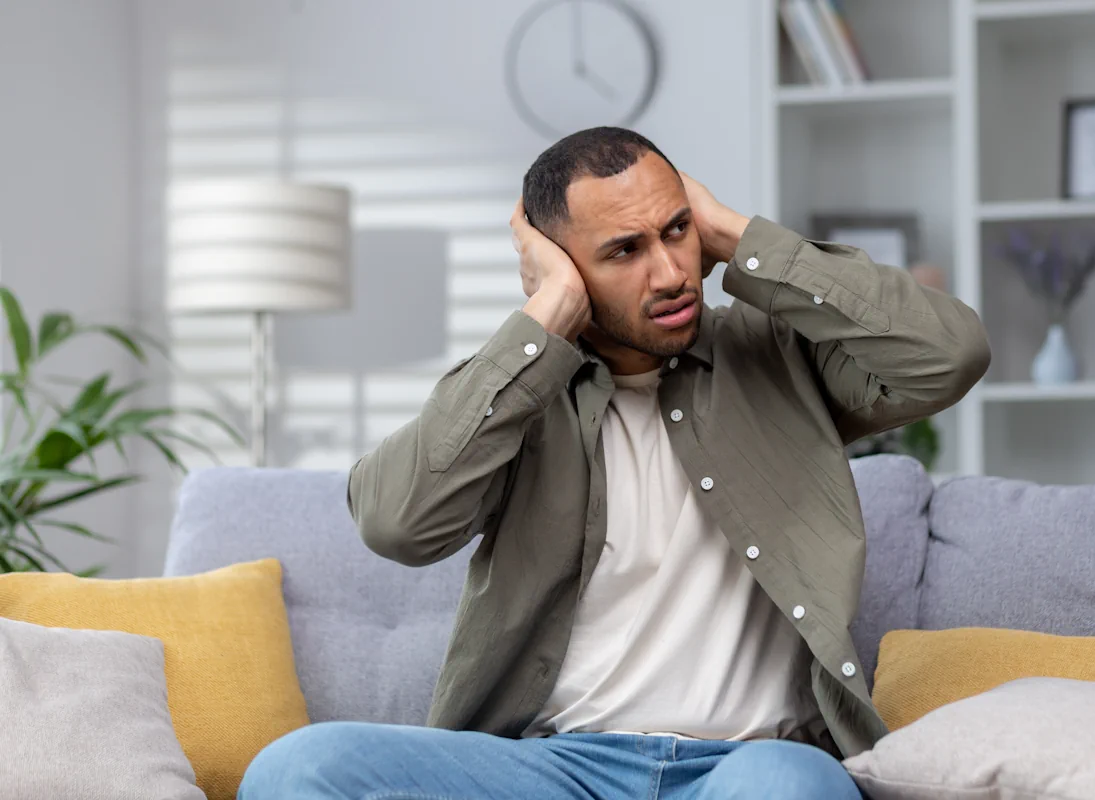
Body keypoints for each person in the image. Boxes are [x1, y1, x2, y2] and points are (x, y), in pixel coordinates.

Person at [239, 127, 990, 799]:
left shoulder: (778, 354)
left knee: (789, 788)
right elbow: (395, 524)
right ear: (562, 266)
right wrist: (548, 313)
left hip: (747, 765)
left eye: (677, 231)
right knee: (296, 769)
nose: (669, 273)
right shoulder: (519, 395)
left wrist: (735, 235)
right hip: (554, 768)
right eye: (624, 251)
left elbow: (949, 356)